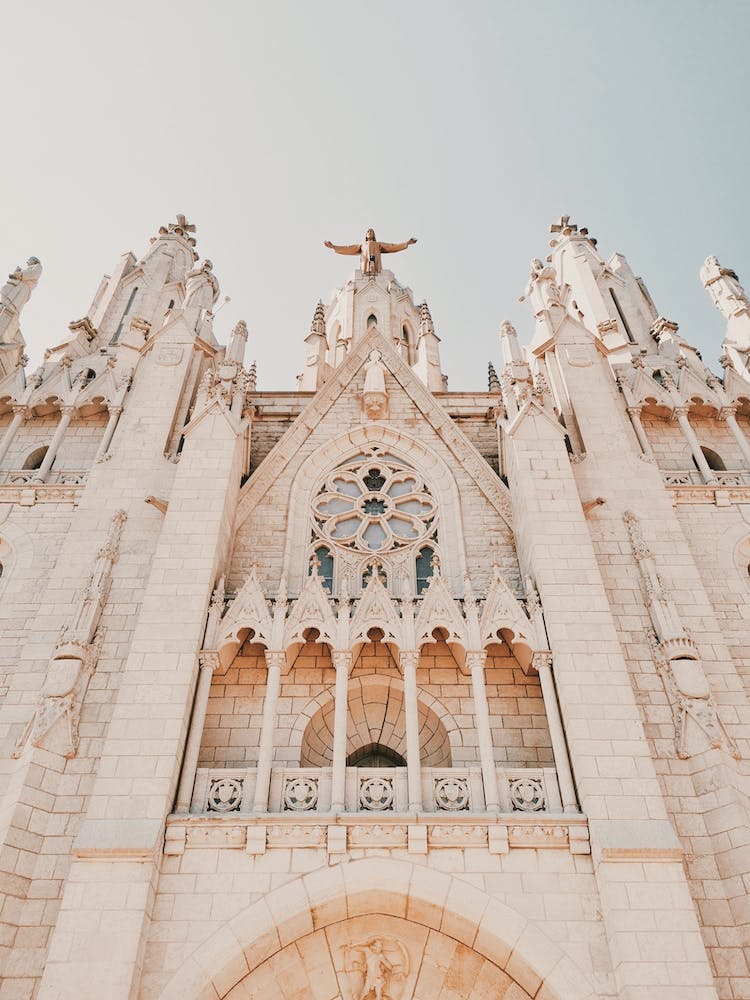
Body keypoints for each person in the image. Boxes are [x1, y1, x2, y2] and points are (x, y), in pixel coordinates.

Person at [325, 229, 417, 275]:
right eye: (368, 231)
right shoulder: (362, 245)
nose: (369, 232)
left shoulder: (378, 244)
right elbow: (349, 248)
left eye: (371, 231)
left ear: (374, 235)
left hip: (376, 268)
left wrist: (406, 243)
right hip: (364, 267)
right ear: (366, 235)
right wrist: (334, 247)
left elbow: (392, 246)